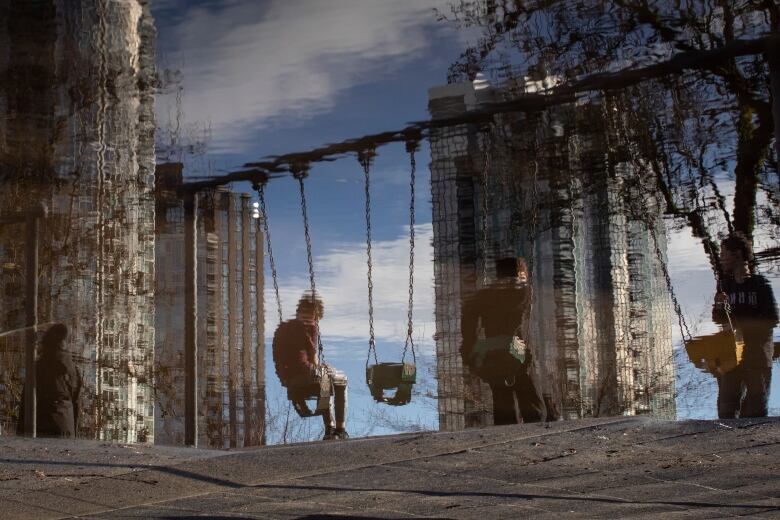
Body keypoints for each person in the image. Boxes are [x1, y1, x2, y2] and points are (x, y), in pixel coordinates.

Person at [461, 257, 546, 424]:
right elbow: (518, 321)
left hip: (493, 352)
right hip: (517, 349)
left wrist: (471, 348)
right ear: (520, 273)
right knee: (531, 401)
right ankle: (536, 435)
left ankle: (507, 436)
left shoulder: (482, 296)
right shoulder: (523, 291)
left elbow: (468, 321)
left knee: (502, 400)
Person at [712, 233, 778, 418]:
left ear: (738, 254)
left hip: (757, 357)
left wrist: (741, 329)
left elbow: (771, 320)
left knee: (756, 411)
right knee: (726, 409)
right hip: (731, 357)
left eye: (724, 254)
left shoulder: (760, 285)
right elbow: (718, 319)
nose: (721, 258)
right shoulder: (725, 285)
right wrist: (718, 304)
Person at [272, 293, 348, 440]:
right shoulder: (310, 327)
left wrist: (285, 380)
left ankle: (330, 429)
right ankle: (338, 429)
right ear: (316, 315)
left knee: (325, 381)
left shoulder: (282, 328)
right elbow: (313, 359)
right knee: (340, 379)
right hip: (306, 374)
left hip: (289, 379)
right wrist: (319, 366)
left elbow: (278, 358)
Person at [18, 323, 82, 438]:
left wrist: (20, 433)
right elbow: (76, 404)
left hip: (41, 427)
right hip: (66, 428)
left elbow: (26, 402)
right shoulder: (73, 369)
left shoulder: (37, 368)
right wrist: (73, 433)